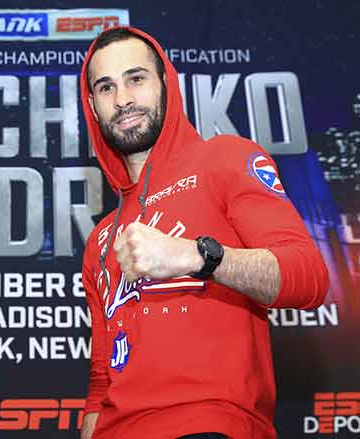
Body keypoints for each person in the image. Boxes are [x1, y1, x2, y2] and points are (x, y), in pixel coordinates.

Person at [78, 26, 329, 439]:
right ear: (93, 104)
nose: (122, 99)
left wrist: (198, 256)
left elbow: (309, 277)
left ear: (165, 83)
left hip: (209, 424)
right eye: (106, 88)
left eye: (136, 79)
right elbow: (103, 375)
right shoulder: (101, 238)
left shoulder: (225, 160)